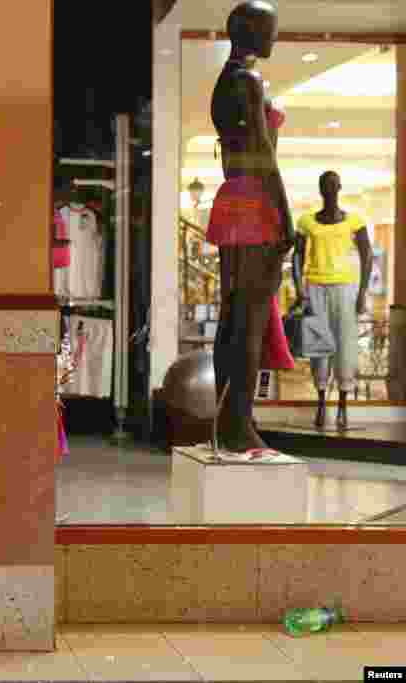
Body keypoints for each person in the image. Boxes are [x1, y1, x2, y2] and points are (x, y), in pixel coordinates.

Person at [205, 0, 294, 451]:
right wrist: (287, 214)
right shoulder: (248, 81)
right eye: (270, 29)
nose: (275, 37)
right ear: (249, 30)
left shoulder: (226, 80)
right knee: (250, 321)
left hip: (233, 199)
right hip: (256, 203)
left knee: (233, 318)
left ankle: (230, 422)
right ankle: (238, 426)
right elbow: (263, 154)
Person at [293, 171, 372, 430]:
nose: (329, 189)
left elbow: (367, 255)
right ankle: (321, 402)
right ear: (320, 189)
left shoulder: (354, 221)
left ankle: (343, 405)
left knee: (345, 345)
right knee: (318, 346)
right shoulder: (307, 221)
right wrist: (299, 289)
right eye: (324, 185)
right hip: (315, 287)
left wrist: (362, 292)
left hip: (345, 287)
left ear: (339, 187)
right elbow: (298, 255)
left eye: (333, 184)